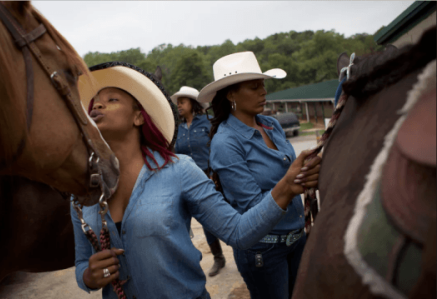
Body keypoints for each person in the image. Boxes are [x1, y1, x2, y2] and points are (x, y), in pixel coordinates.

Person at [71, 62, 320, 299]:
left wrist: (286, 189)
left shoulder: (178, 171)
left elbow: (238, 232)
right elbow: (82, 263)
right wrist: (89, 277)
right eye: (94, 103)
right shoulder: (83, 190)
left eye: (111, 100)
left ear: (139, 117)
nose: (97, 106)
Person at [198, 52, 320, 299]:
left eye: (263, 85)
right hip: (263, 251)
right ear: (230, 94)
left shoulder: (270, 125)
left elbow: (289, 172)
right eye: (254, 87)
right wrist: (290, 184)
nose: (263, 92)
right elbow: (252, 206)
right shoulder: (226, 143)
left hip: (296, 238)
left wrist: (308, 173)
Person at [171, 86, 226, 277]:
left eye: (182, 102)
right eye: (177, 103)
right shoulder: (176, 129)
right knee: (199, 219)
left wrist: (215, 174)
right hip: (187, 180)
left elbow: (216, 149)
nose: (178, 105)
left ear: (193, 104)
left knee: (218, 217)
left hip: (210, 176)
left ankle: (239, 248)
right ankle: (218, 258)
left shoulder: (208, 123)